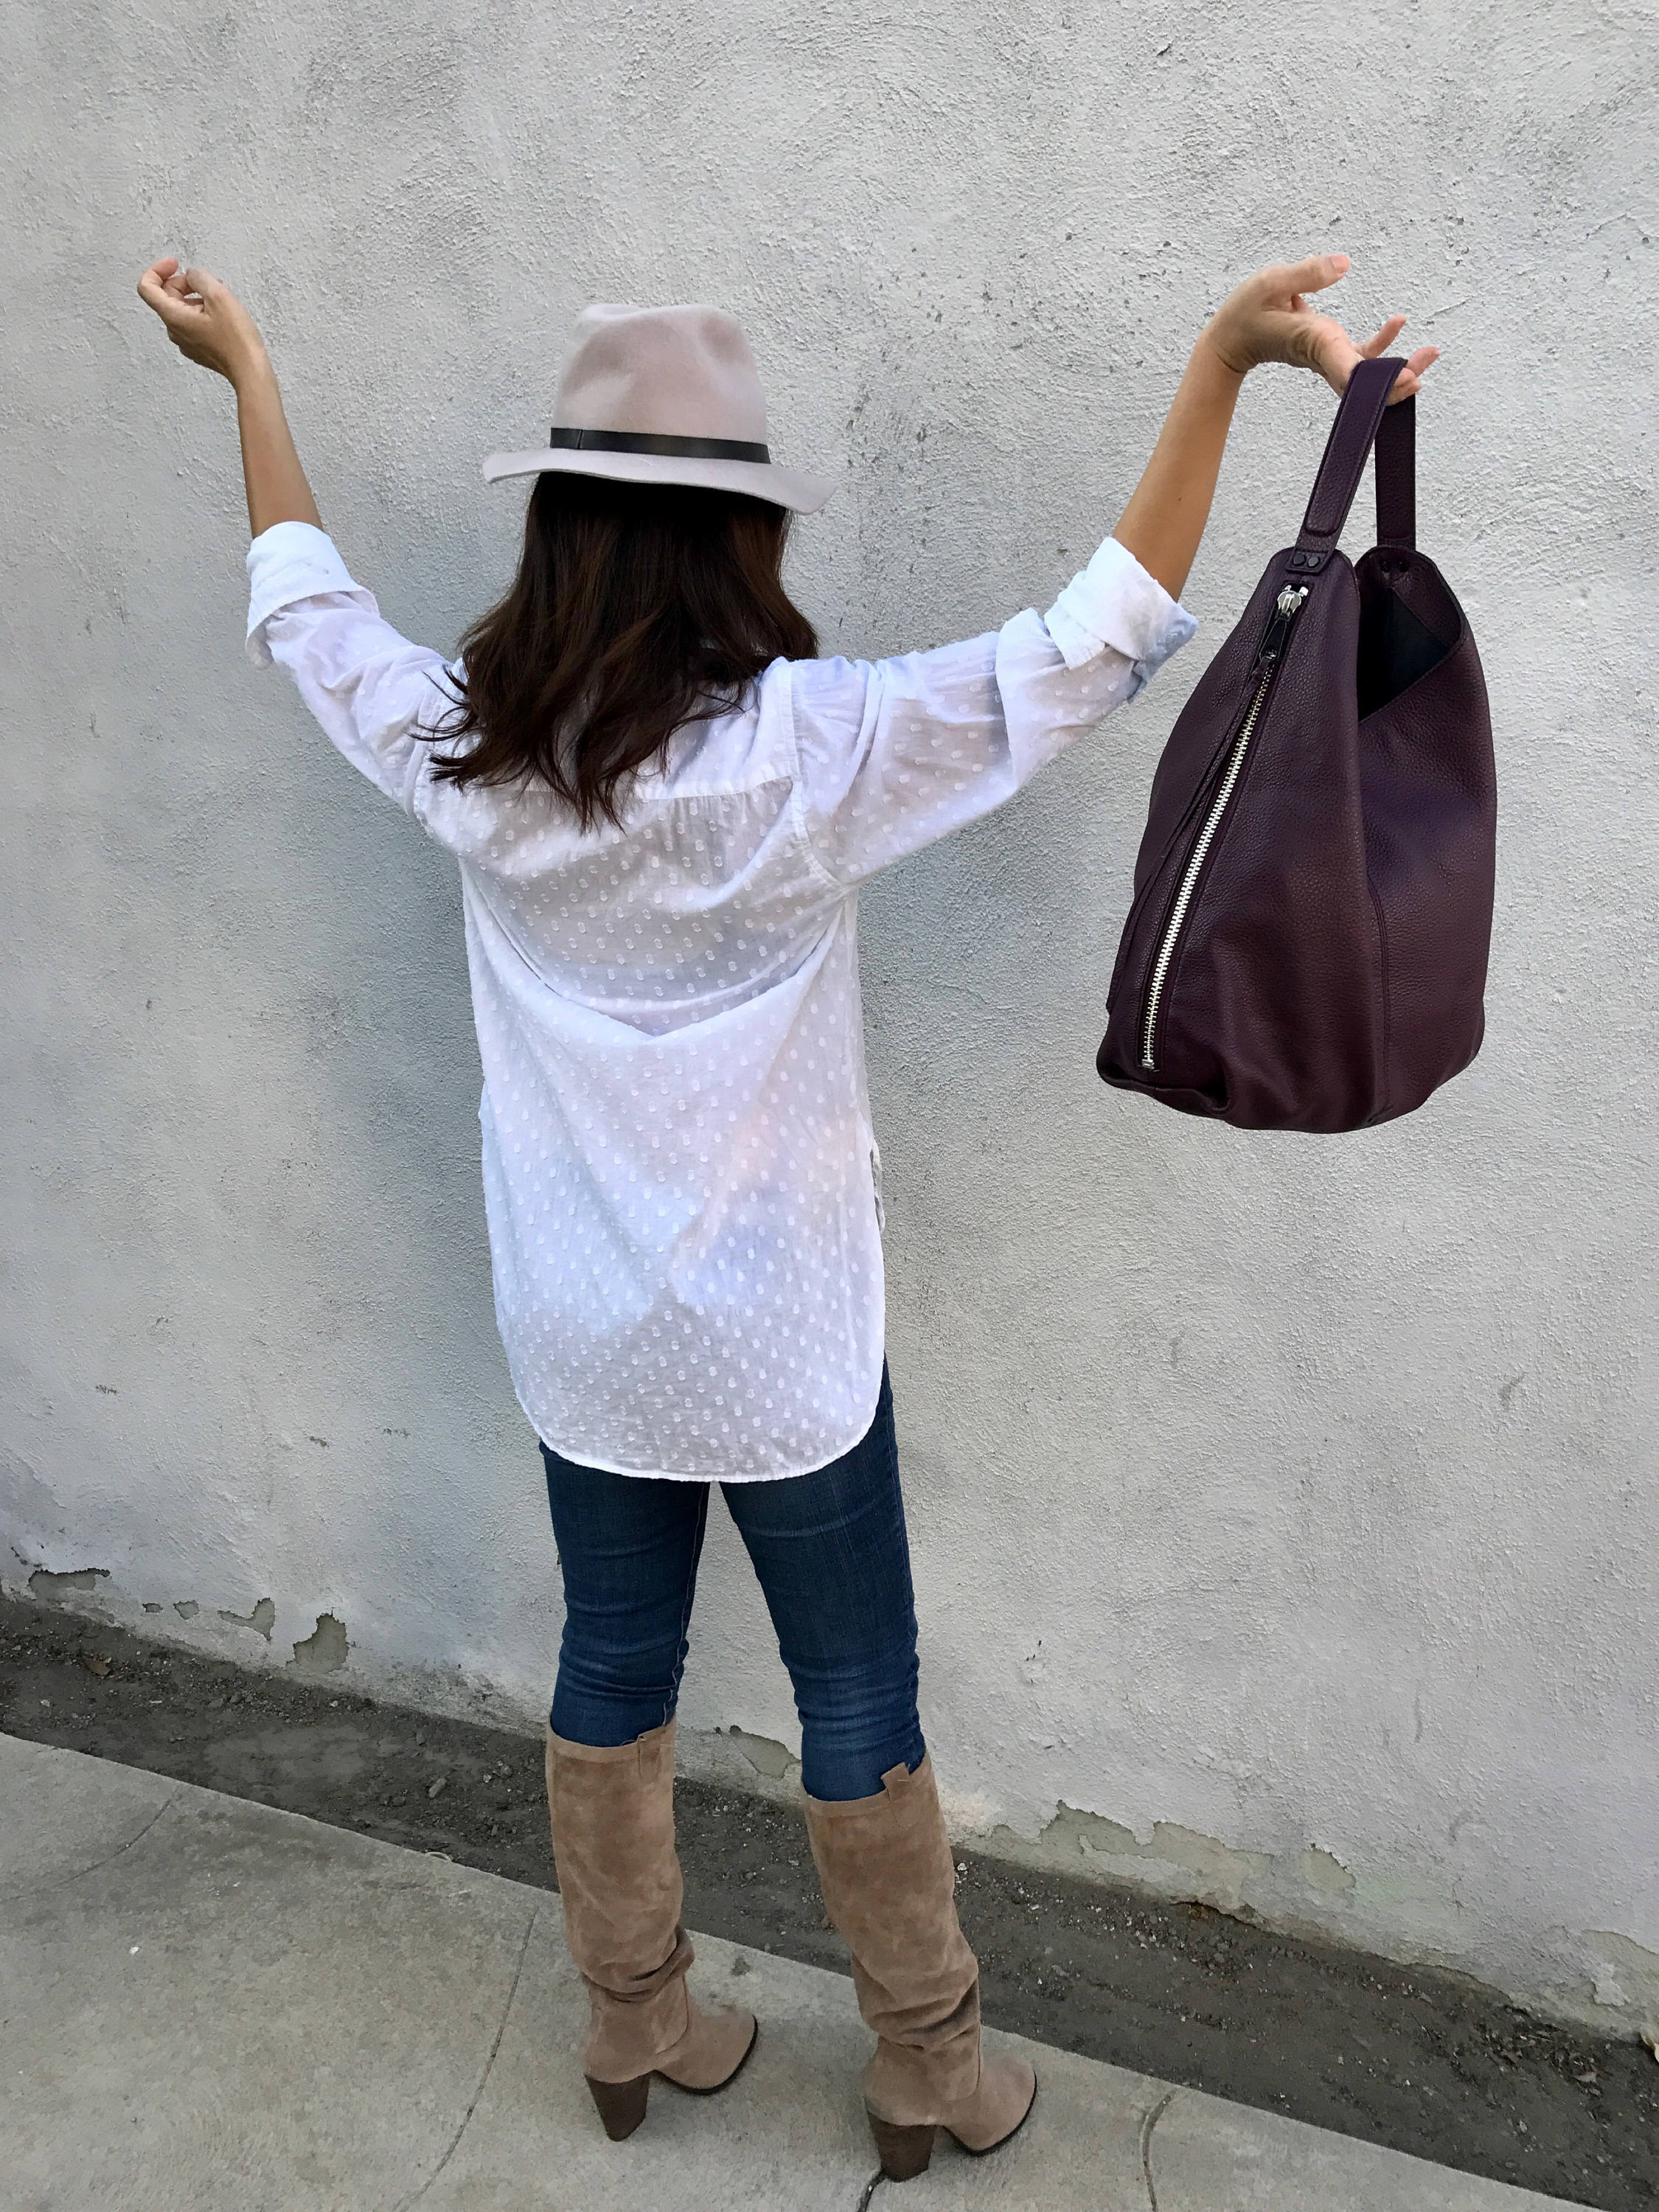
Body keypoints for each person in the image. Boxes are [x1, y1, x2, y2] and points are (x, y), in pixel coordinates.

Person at [136, 251, 1433, 2182]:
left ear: (560, 527)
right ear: (737, 539)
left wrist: (242, 366)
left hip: (577, 1327)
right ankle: (925, 2062)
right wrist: (1222, 364)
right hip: (783, 1334)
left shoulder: (462, 755)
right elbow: (1091, 643)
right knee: (853, 1688)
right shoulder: (803, 755)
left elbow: (303, 601)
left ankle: (629, 2014)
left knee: (609, 1658)